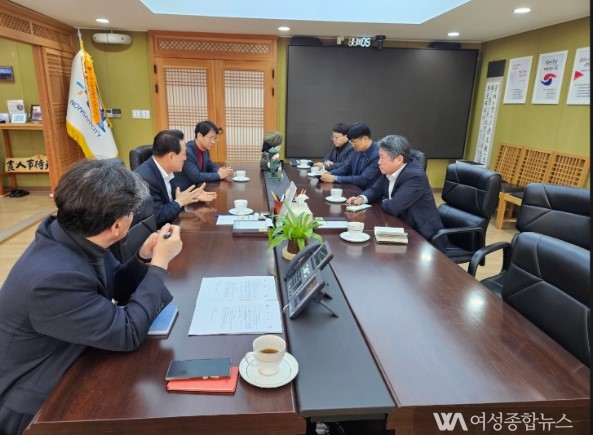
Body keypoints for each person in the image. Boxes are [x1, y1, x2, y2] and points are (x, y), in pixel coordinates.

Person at [0, 159, 184, 435]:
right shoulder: (55, 280)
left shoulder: (73, 232)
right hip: (35, 403)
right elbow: (128, 333)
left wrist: (144, 257)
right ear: (117, 226)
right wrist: (160, 265)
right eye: (131, 213)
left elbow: (115, 288)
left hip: (72, 355)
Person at [346, 134, 446, 251]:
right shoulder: (389, 169)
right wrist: (362, 198)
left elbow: (394, 207)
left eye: (382, 157)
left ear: (398, 159)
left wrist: (382, 199)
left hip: (422, 238)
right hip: (400, 226)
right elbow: (376, 189)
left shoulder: (414, 176)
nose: (379, 162)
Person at [135, 129, 217, 227]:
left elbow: (169, 200)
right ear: (171, 157)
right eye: (183, 154)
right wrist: (180, 202)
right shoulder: (146, 179)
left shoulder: (166, 170)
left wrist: (191, 196)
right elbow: (156, 216)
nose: (185, 158)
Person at [320, 122, 381, 189]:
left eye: (354, 142)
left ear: (365, 139)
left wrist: (335, 178)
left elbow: (363, 179)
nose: (352, 145)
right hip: (354, 188)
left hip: (368, 193)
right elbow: (347, 168)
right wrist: (330, 173)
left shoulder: (378, 154)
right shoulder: (357, 149)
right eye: (351, 142)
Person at [175, 120, 233, 189]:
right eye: (210, 138)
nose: (213, 142)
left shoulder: (204, 149)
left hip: (199, 188)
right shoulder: (187, 152)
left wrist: (219, 170)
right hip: (186, 191)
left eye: (215, 138)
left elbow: (209, 165)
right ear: (199, 136)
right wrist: (219, 175)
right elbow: (196, 177)